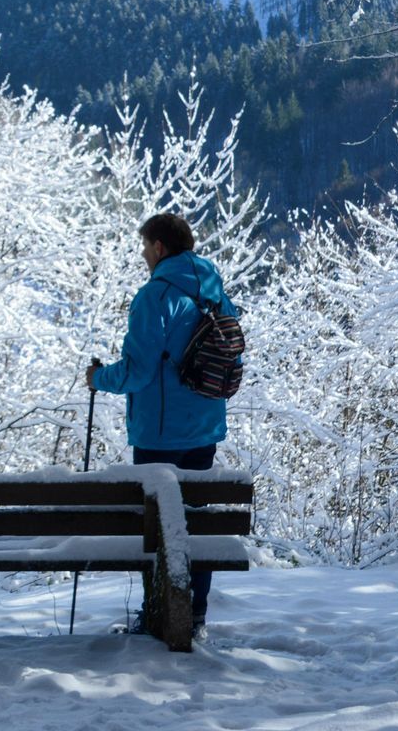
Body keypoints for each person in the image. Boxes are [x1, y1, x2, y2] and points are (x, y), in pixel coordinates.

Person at [86, 211, 236, 635]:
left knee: (157, 527)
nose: (142, 257)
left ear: (158, 247)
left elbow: (138, 371)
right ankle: (195, 614)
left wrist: (99, 378)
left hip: (159, 433)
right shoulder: (215, 292)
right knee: (195, 524)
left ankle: (159, 616)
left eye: (143, 248)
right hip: (204, 429)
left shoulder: (155, 297)